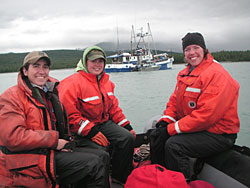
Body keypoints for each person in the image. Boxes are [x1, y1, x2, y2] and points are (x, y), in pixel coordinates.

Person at [0, 51, 110, 188]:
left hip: (50, 150)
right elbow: (13, 137)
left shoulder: (50, 92)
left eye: (45, 67)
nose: (42, 71)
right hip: (27, 157)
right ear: (25, 71)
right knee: (93, 163)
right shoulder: (11, 97)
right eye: (36, 66)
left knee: (103, 155)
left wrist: (66, 142)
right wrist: (54, 142)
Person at [150, 32, 240, 181]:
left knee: (174, 145)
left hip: (219, 134)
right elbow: (174, 102)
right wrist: (165, 122)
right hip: (198, 128)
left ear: (204, 49)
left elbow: (207, 116)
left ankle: (181, 182)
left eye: (195, 47)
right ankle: (161, 178)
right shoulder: (185, 74)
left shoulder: (216, 74)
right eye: (187, 49)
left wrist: (171, 130)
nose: (191, 53)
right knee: (157, 136)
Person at [58, 46, 136, 184]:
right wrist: (91, 131)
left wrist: (127, 126)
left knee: (127, 138)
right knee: (100, 151)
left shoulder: (107, 82)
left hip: (103, 124)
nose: (97, 64)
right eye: (93, 61)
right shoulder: (72, 83)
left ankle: (120, 178)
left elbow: (114, 108)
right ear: (85, 62)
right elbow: (69, 116)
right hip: (79, 131)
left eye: (101, 61)